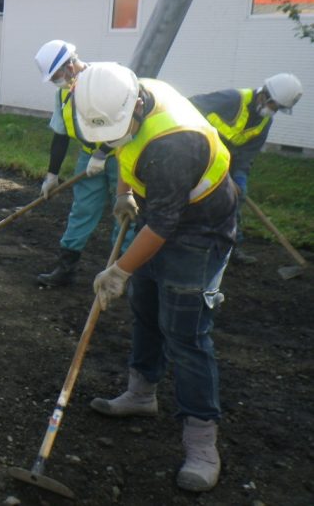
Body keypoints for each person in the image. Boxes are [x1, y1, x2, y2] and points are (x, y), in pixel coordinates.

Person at [72, 62, 237, 493]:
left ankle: (202, 442)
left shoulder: (175, 143)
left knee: (185, 332)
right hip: (159, 209)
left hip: (200, 228)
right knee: (145, 309)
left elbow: (163, 226)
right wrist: (126, 191)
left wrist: (119, 269)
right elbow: (127, 147)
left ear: (137, 107)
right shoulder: (117, 98)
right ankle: (141, 393)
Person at [33, 40, 131, 287]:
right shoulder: (64, 94)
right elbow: (61, 134)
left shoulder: (107, 79)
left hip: (121, 153)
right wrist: (52, 175)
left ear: (70, 64)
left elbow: (129, 121)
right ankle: (66, 269)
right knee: (82, 210)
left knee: (125, 212)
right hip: (89, 155)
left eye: (58, 75)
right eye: (53, 78)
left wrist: (104, 153)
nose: (58, 80)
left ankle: (123, 272)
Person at [190, 73, 303, 264]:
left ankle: (230, 248)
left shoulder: (265, 121)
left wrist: (239, 178)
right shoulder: (232, 99)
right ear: (264, 96)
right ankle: (190, 246)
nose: (273, 110)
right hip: (198, 155)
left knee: (236, 199)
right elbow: (189, 105)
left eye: (278, 109)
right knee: (196, 200)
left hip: (226, 164)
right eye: (274, 105)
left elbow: (248, 153)